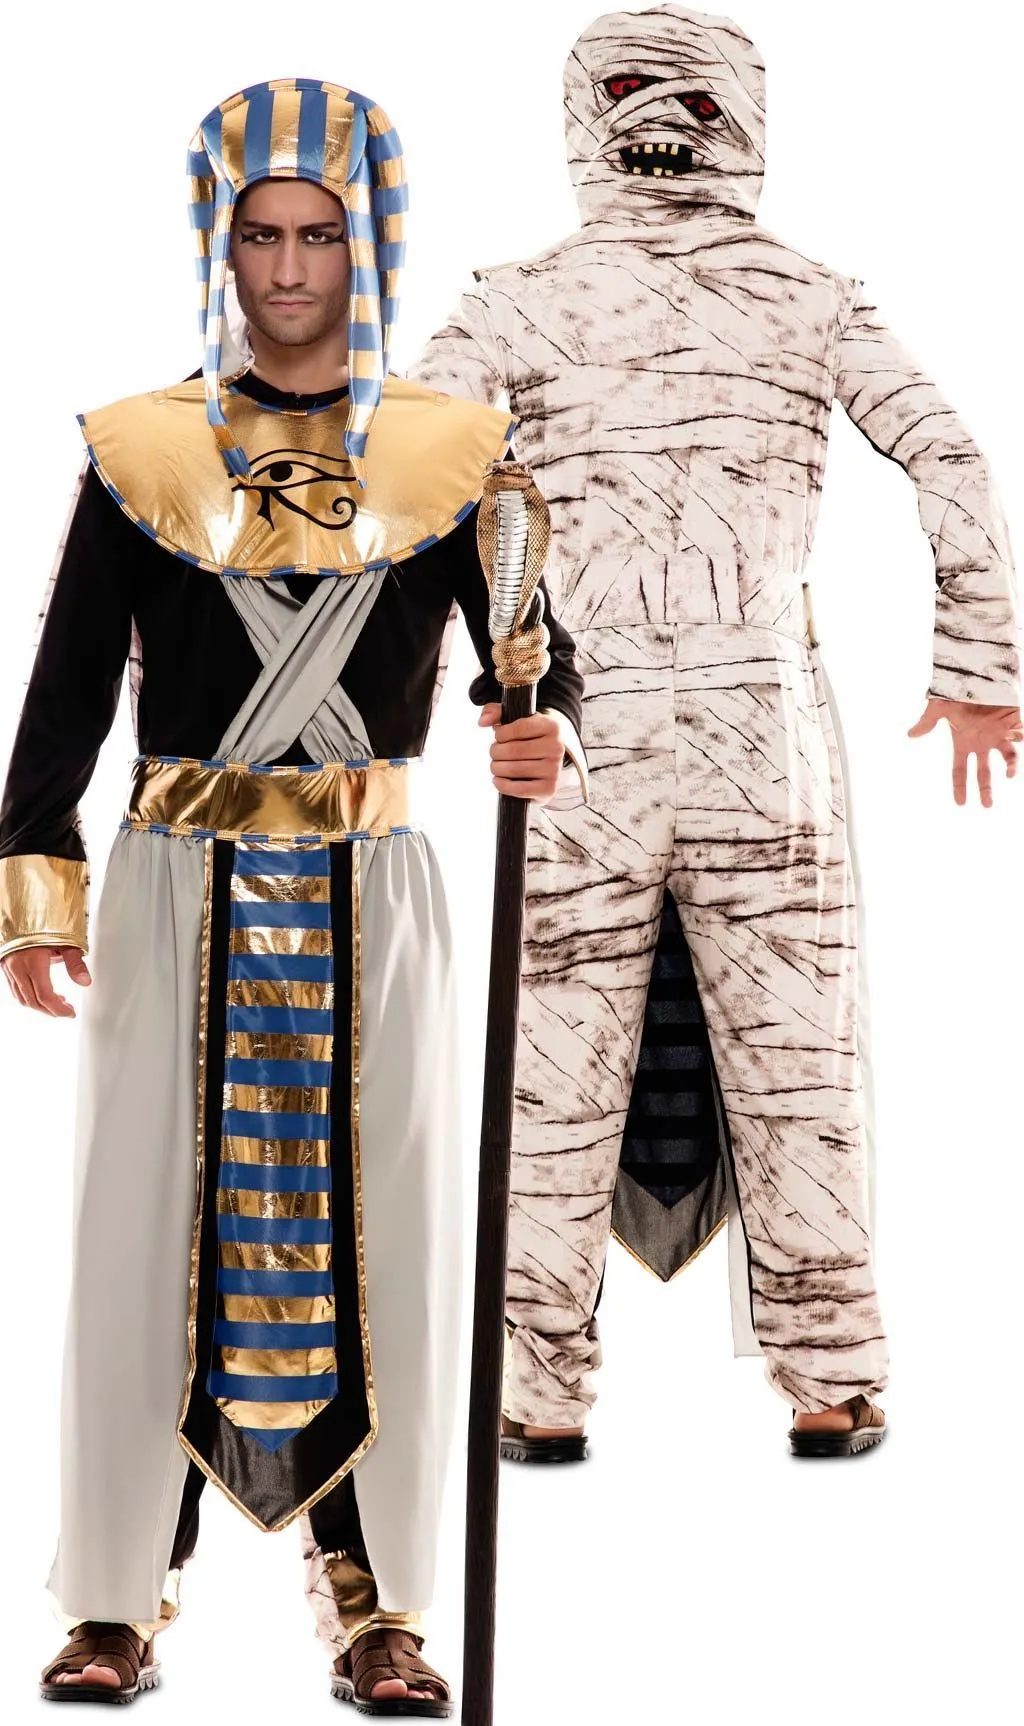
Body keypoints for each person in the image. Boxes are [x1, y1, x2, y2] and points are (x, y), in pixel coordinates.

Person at [0, 78, 585, 1710]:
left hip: (370, 884)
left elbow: (536, 661)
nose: (287, 268)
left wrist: (541, 728)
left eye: (317, 234)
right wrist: (37, 879)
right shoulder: (146, 450)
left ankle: (378, 1597)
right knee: (146, 1224)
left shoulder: (453, 454)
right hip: (178, 879)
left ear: (368, 240)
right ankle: (118, 1591)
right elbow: (67, 682)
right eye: (259, 234)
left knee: (380, 1225)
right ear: (221, 241)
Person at [411, 6, 1021, 1462]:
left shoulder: (516, 303)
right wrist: (980, 664)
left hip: (579, 728)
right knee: (795, 1058)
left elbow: (403, 479)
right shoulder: (813, 299)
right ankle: (830, 1381)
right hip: (761, 723)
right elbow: (947, 451)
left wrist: (440, 681)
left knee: (556, 1058)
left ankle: (534, 1391)